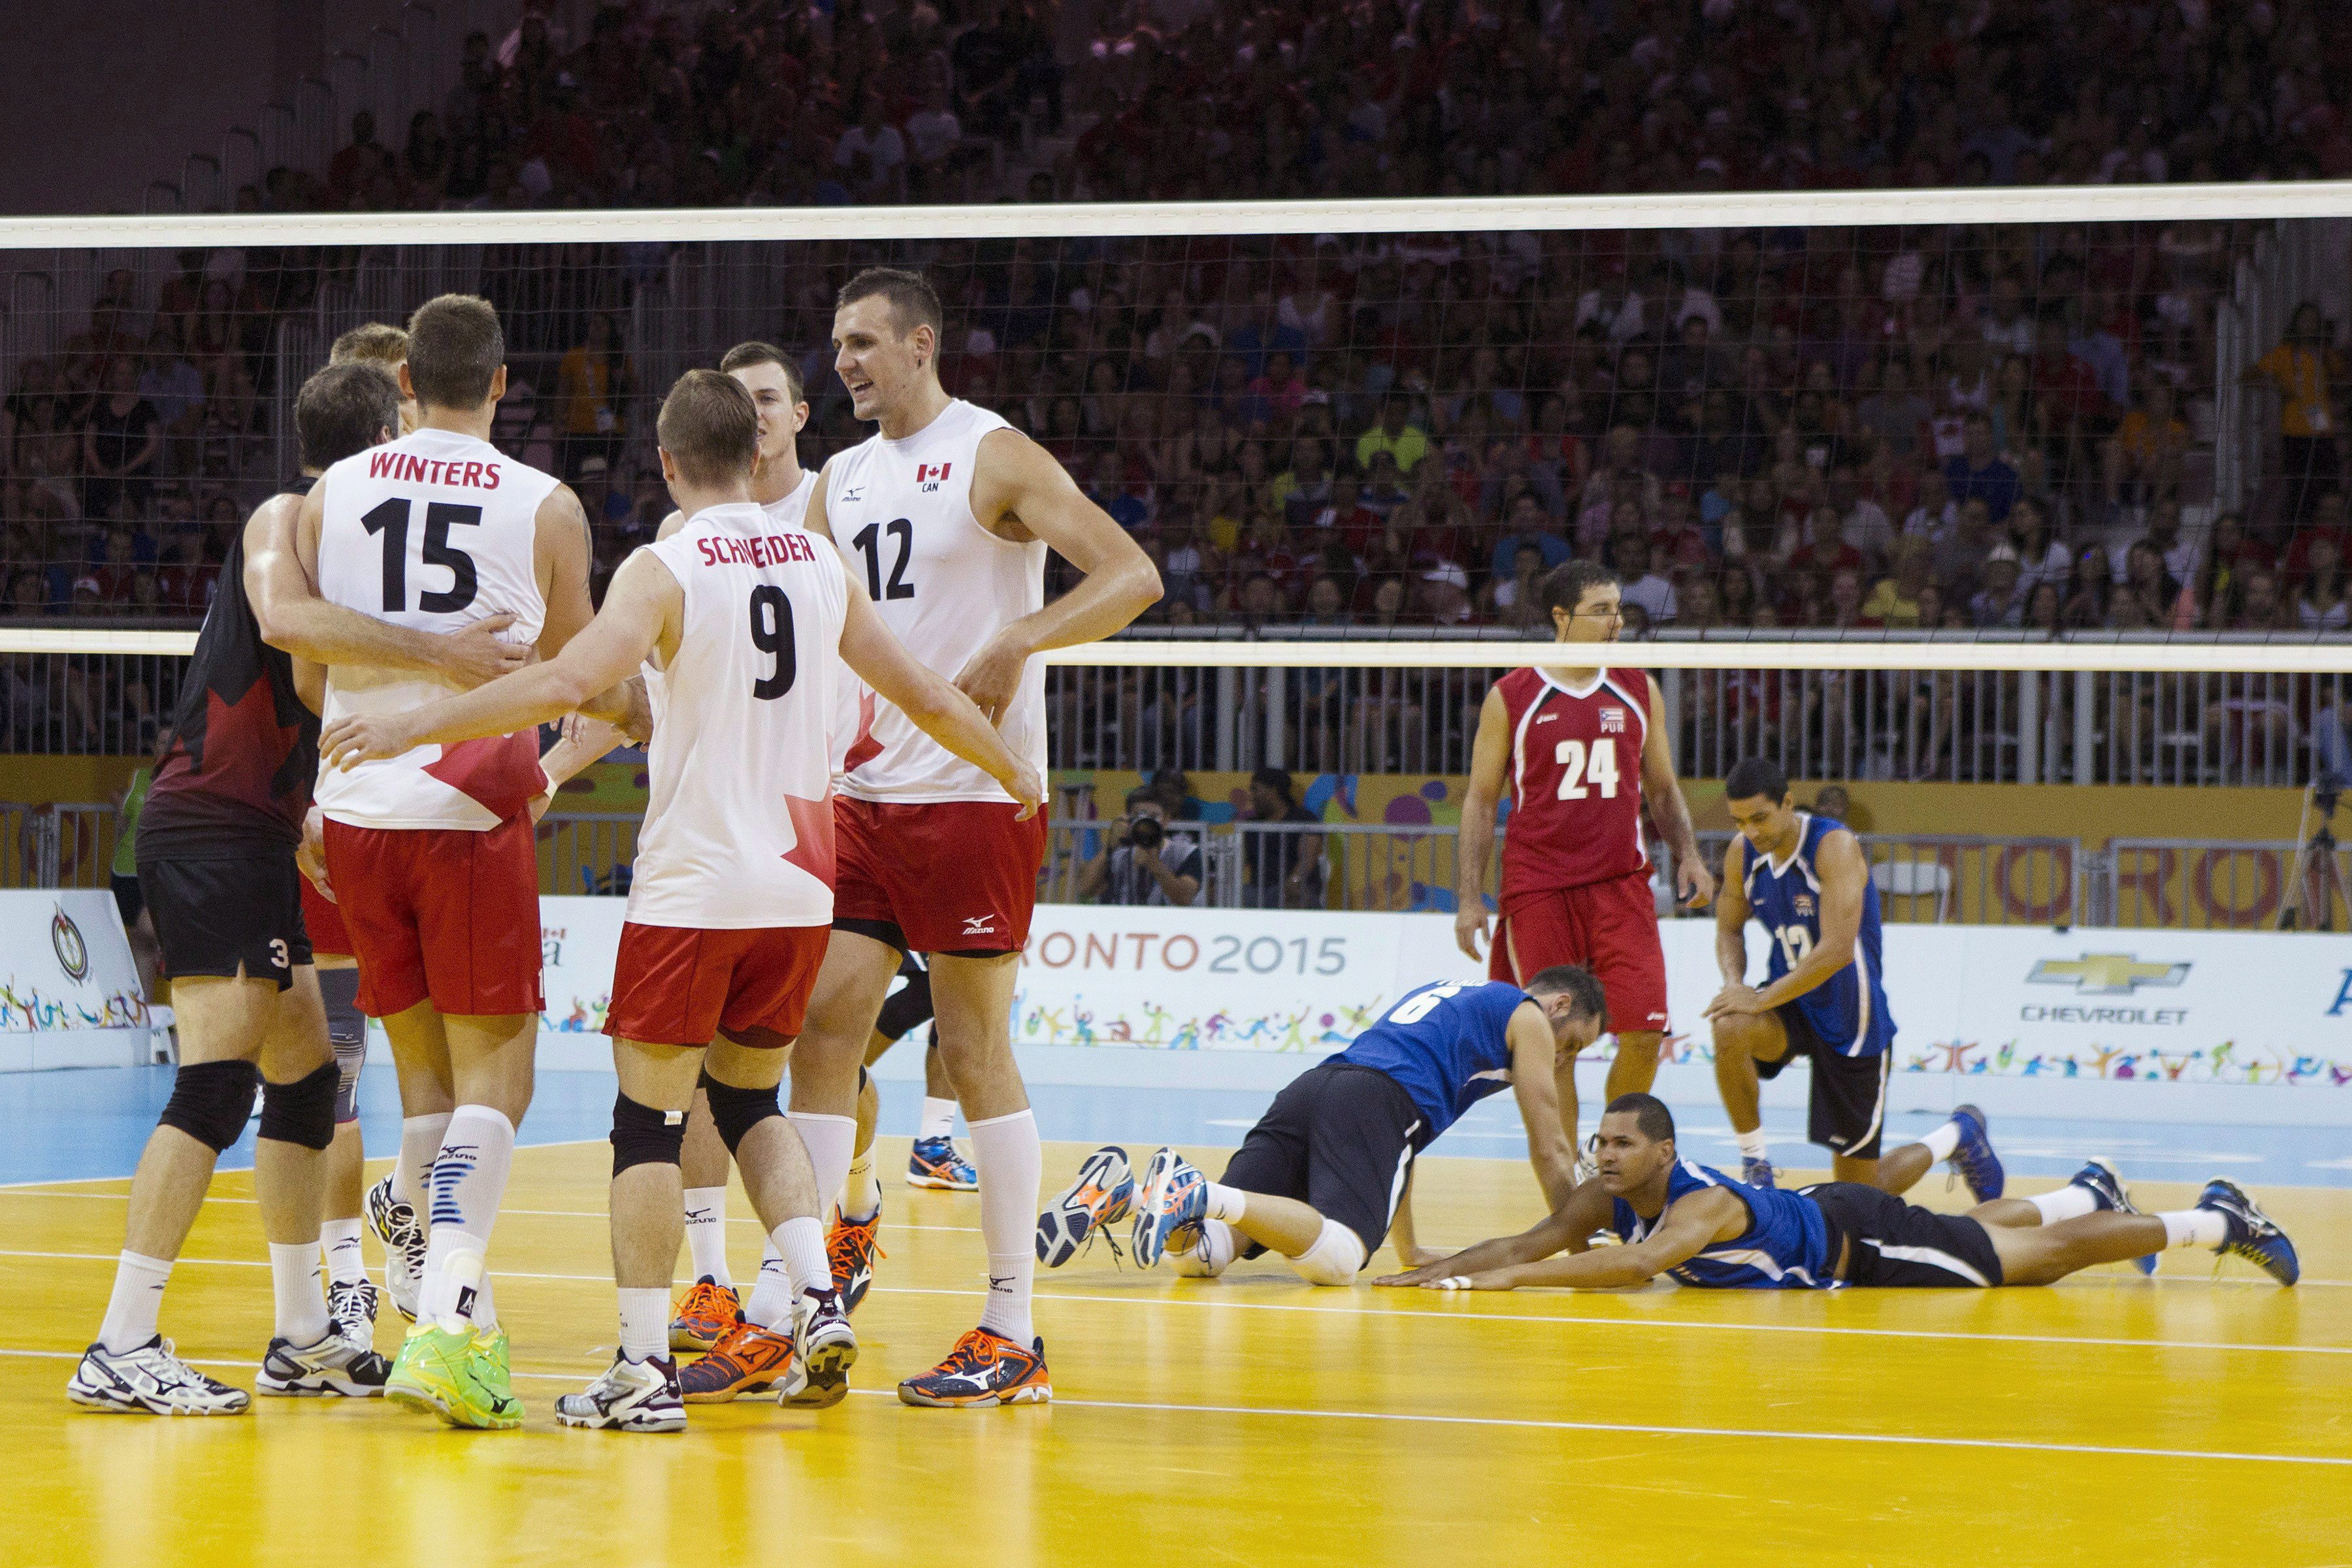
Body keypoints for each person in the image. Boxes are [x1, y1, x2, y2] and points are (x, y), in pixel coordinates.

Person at [322, 367, 1044, 1430]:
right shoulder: (822, 564)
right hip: (800, 888)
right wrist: (1011, 767)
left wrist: (407, 727)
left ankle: (642, 1370)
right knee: (752, 1103)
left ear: (664, 463)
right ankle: (815, 1301)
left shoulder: (663, 569)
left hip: (695, 888)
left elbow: (568, 685)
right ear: (757, 455)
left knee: (647, 1128)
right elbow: (928, 695)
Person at [67, 361, 519, 1415]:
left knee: (308, 1081)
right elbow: (282, 623)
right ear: (384, 442)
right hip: (210, 829)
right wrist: (444, 656)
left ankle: (303, 1333)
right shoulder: (286, 518)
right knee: (215, 1086)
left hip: (259, 834)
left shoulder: (351, 547)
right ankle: (122, 1342)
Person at [789, 267, 1160, 1408]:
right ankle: (801, 1297)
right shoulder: (838, 479)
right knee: (820, 1030)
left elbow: (1133, 576)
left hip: (973, 796)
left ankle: (1011, 1328)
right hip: (861, 794)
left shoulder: (991, 454)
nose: (844, 362)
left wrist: (1021, 640)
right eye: (836, 345)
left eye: (863, 342)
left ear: (921, 344)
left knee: (973, 1046)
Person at [295, 293, 599, 1429]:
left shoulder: (330, 493)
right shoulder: (546, 504)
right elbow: (579, 674)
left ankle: (438, 1302)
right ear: (504, 383)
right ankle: (449, 1321)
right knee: (499, 1083)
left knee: (421, 1078)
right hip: (468, 808)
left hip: (357, 809)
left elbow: (312, 669)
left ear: (406, 383)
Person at [661, 341, 977, 1354]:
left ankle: (850, 1201)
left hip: (833, 817)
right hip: (725, 830)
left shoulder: (837, 517)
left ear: (800, 415)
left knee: (814, 1053)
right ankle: (714, 1280)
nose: (753, 415)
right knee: (716, 1063)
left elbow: (894, 667)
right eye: (738, 401)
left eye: (769, 398)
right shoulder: (684, 536)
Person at [1375, 1094, 2300, 1294]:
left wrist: (1498, 1285)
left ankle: (2215, 1219)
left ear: (1665, 1152)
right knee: (1968, 1229)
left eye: (1622, 1145)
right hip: (1834, 1217)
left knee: (2029, 1265)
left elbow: (1636, 1268)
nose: (1604, 1156)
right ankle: (2083, 1191)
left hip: (1860, 1246)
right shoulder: (1605, 1193)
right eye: (1601, 1143)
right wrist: (1437, 1270)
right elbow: (1531, 1240)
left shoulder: (1697, 1205)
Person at [1042, 968, 1600, 1288]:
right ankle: (1197, 1191)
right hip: (1373, 1102)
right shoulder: (1528, 1016)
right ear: (1559, 1003)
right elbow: (1550, 1146)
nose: (1563, 1058)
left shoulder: (1461, 997)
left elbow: (1397, 1155)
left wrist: (1407, 1248)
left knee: (1203, 1256)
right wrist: (1583, 1247)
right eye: (1572, 1042)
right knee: (1338, 1259)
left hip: (1314, 1089)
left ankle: (1132, 1197)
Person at [1453, 559, 1714, 1165]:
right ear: (1561, 617)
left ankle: (1609, 1158)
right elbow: (1480, 800)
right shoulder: (1513, 695)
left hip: (1621, 884)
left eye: (1618, 609)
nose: (1616, 622)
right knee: (1553, 1044)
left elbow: (1663, 788)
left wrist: (1690, 855)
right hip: (1540, 889)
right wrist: (1469, 897)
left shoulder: (1637, 687)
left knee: (1645, 1032)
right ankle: (1568, 1180)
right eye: (1601, 611)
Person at [1705, 756, 1999, 1194]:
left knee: (1859, 1196)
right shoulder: (1741, 853)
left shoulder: (1833, 846)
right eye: (1741, 821)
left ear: (1788, 804)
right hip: (1789, 1002)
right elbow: (1728, 929)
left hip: (1851, 1016)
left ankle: (1958, 1135)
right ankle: (1755, 1162)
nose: (1751, 831)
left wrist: (1759, 998)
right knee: (1729, 1023)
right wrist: (1734, 983)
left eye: (1760, 818)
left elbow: (1837, 951)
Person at [1079, 785, 1201, 906]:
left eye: (1154, 817)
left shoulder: (1187, 853)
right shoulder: (1118, 852)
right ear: (1128, 818)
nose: (1146, 823)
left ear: (1166, 819)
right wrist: (1109, 848)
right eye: (1139, 816)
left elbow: (1185, 899)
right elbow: (1085, 889)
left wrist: (1154, 864)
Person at [1241, 766, 1323, 909]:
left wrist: (1294, 881)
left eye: (1255, 789)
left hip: (1295, 888)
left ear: (1273, 791)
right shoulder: (1251, 825)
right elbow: (1241, 859)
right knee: (1238, 895)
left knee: (1290, 897)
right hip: (1257, 891)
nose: (1251, 796)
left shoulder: (1303, 818)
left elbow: (1308, 857)